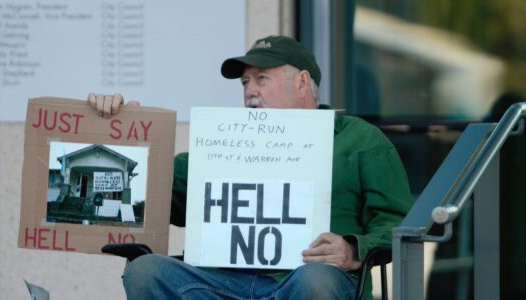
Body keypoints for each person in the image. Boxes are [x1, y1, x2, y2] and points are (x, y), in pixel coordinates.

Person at [89, 35, 413, 300]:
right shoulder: (225, 141)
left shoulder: (360, 140)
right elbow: (150, 197)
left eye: (262, 79)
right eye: (245, 82)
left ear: (302, 83)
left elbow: (400, 224)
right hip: (216, 285)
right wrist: (125, 135)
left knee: (316, 280)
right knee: (146, 271)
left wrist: (353, 249)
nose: (250, 91)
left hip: (304, 281)